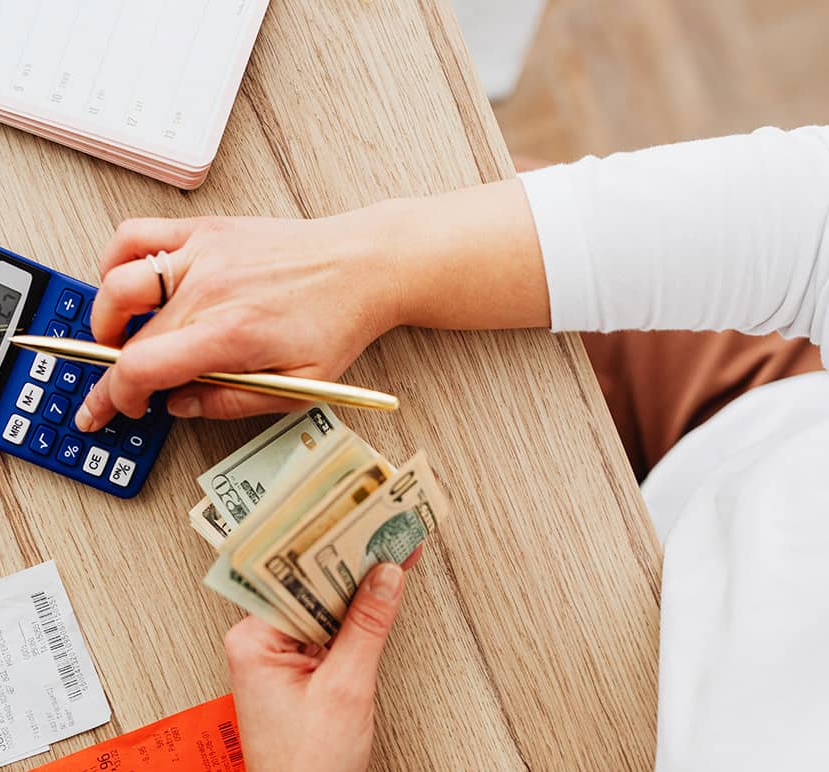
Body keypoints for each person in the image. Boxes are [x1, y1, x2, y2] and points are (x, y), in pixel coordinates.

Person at [77, 125, 829, 771]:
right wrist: (364, 264)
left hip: (620, 701)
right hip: (748, 432)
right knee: (467, 176)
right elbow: (807, 221)